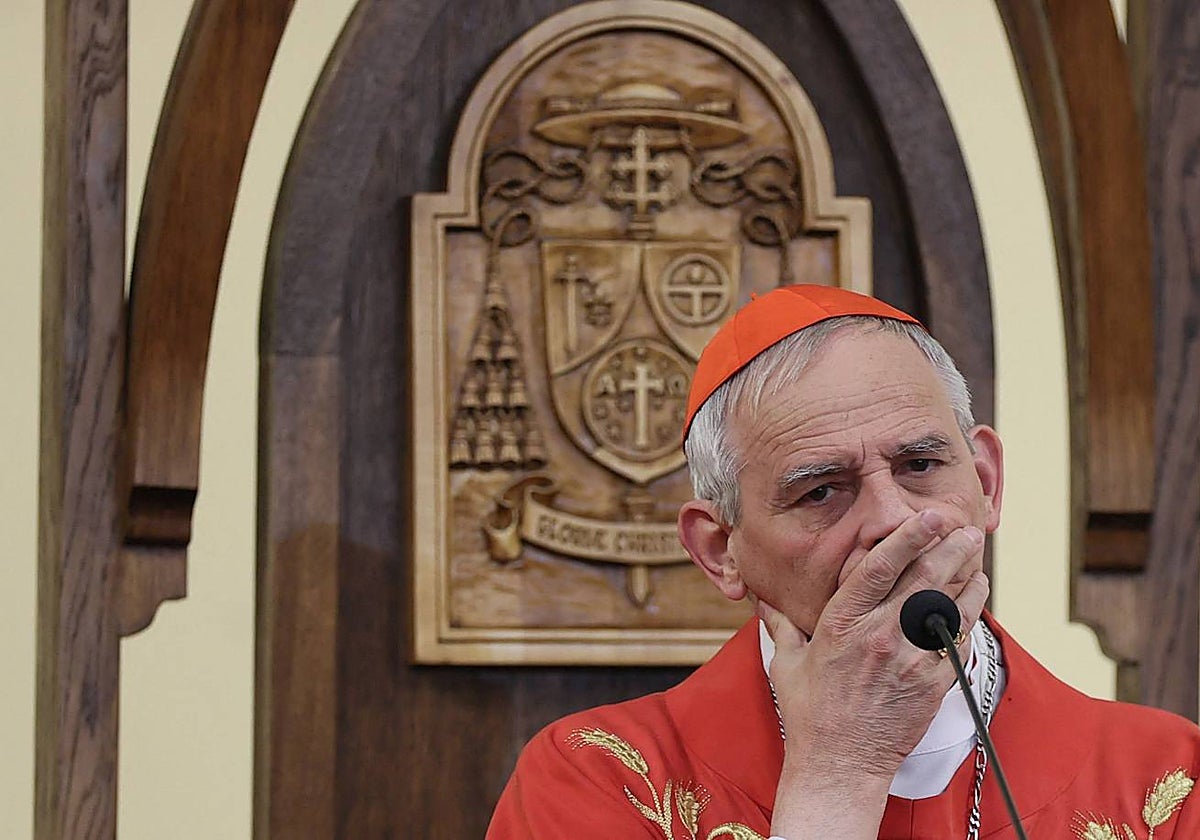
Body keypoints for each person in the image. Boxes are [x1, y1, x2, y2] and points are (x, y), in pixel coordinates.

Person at [486, 284, 1200, 840]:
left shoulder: (1165, 783)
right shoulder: (604, 780)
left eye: (920, 464)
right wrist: (839, 773)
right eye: (821, 491)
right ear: (721, 551)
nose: (892, 519)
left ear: (985, 483)